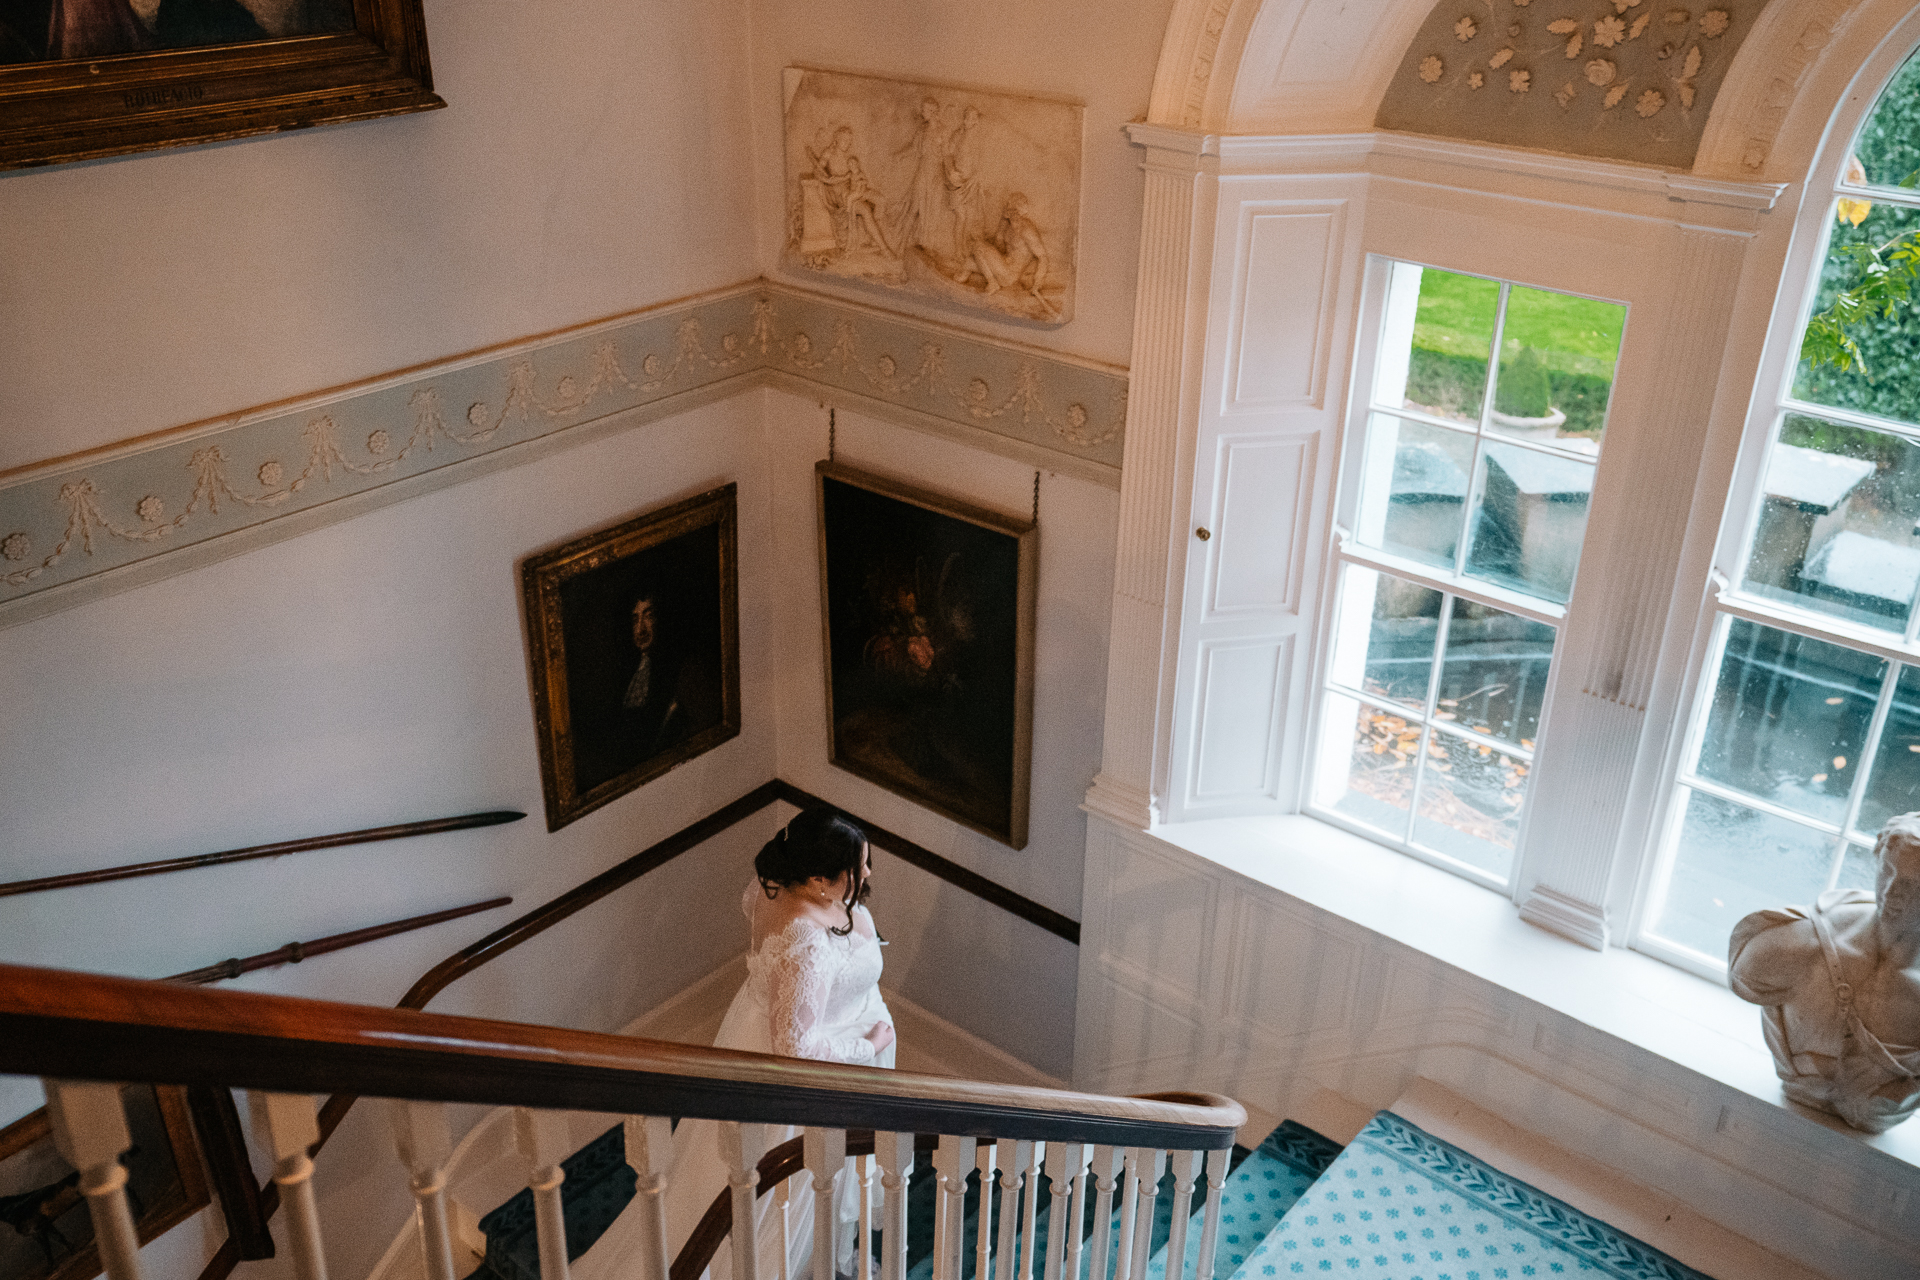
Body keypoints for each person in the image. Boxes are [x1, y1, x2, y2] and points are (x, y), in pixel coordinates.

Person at [574, 809, 895, 1280]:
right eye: (858, 867)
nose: (867, 874)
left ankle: (831, 1251)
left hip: (753, 1028)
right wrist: (868, 1046)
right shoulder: (806, 941)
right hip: (805, 1073)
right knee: (787, 1180)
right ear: (819, 880)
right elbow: (796, 1051)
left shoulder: (775, 883)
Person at [1729, 811, 1920, 1133]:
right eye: (1887, 871)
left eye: (1914, 886)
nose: (1889, 894)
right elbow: (1747, 975)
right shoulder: (1803, 943)